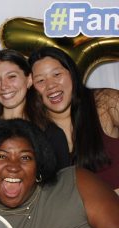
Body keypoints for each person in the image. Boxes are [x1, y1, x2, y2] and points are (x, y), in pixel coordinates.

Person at [0, 119, 119, 228]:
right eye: (2, 156)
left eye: (25, 157)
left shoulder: (74, 182)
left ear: (38, 166)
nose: (13, 167)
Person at [28, 46, 119, 192]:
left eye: (57, 74)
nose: (51, 85)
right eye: (40, 81)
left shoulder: (105, 102)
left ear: (71, 73)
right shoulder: (34, 131)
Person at [0, 49, 70, 170]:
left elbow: (63, 184)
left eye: (12, 77)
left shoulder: (51, 134)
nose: (4, 86)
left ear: (29, 80)